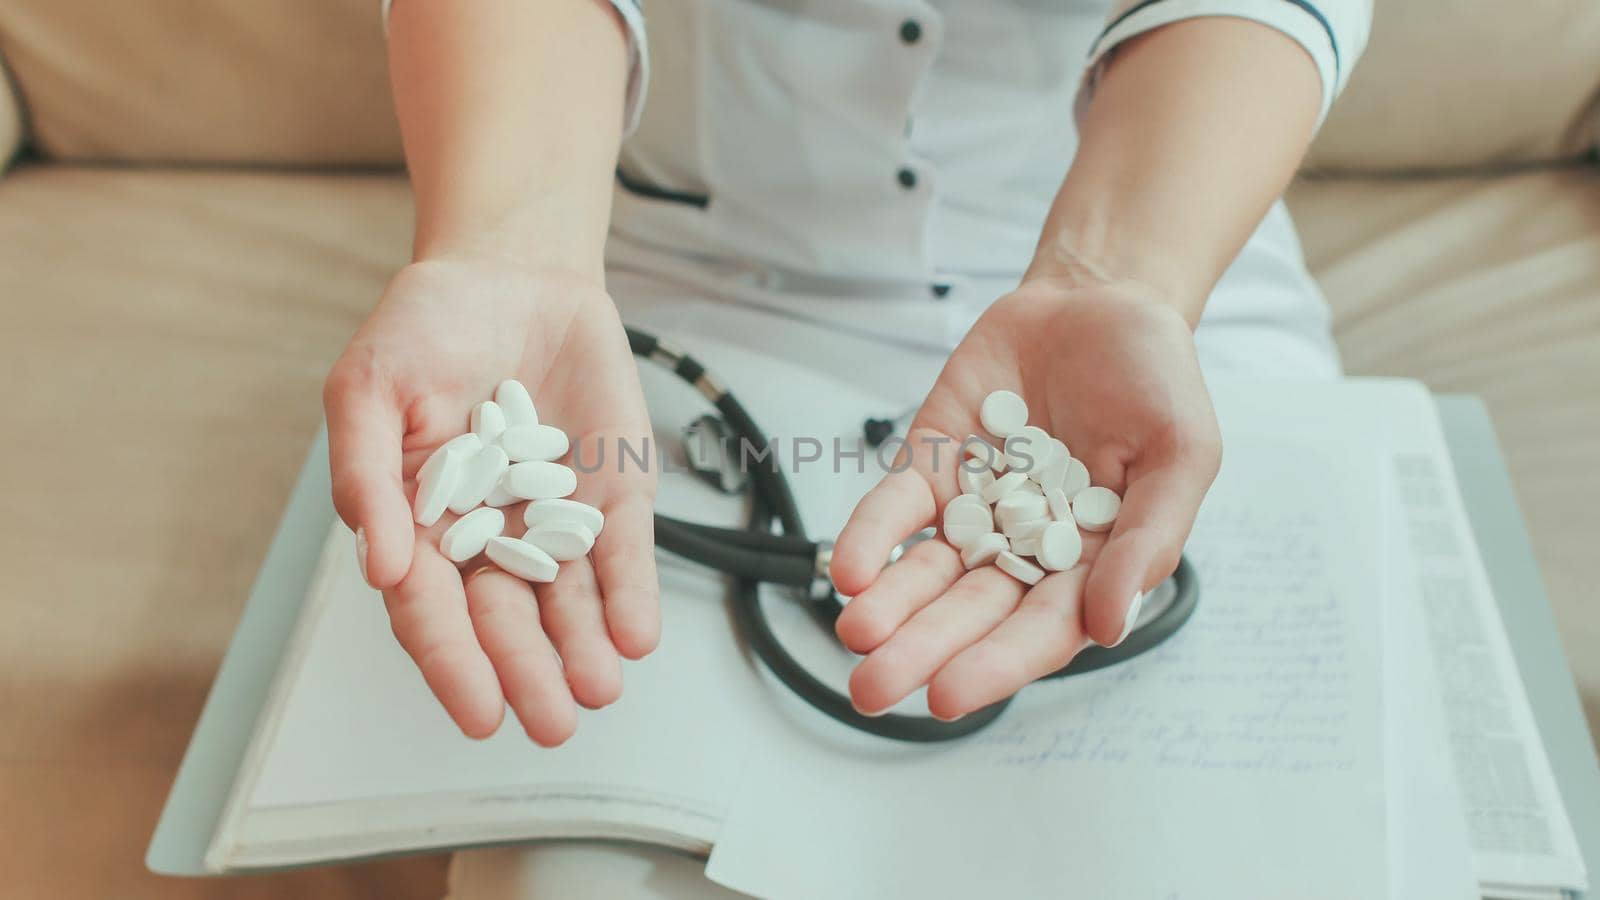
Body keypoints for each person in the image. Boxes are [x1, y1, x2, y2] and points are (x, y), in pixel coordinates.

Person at [323, 0, 1370, 894]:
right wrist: (507, 248)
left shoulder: (1134, 294)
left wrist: (1119, 279)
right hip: (679, 276)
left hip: (1155, 249)